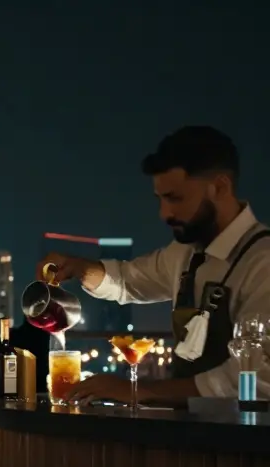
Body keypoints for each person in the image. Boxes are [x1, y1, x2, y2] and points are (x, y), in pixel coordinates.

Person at [40, 126, 270, 405]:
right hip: (191, 433)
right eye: (160, 199)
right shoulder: (185, 253)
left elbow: (256, 378)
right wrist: (78, 267)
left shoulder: (262, 262)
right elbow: (128, 281)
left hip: (245, 439)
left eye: (176, 198)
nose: (164, 214)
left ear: (220, 187)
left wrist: (139, 392)